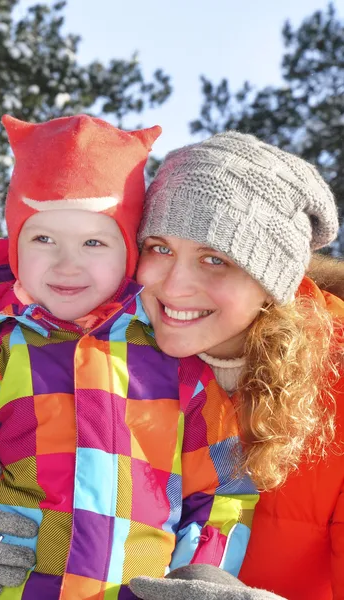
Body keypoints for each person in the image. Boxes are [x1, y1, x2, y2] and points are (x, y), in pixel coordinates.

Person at [0, 117, 257, 599]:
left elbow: (218, 494)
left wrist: (202, 574)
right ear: (14, 248)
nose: (67, 264)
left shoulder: (181, 368)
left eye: (94, 242)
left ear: (129, 252)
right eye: (43, 238)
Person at [126, 131, 344, 600]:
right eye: (159, 247)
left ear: (272, 281)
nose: (175, 286)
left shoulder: (337, 383)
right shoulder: (95, 343)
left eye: (215, 259)